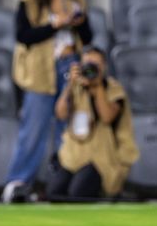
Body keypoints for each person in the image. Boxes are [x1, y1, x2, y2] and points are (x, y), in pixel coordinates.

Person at [3, 0, 93, 203]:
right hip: (41, 70)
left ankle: (64, 184)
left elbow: (87, 38)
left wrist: (79, 21)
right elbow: (24, 36)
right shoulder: (30, 2)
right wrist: (55, 25)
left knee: (69, 129)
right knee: (34, 129)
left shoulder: (75, 0)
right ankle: (18, 182)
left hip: (70, 66)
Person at [49, 47, 138, 201]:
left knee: (78, 193)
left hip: (102, 159)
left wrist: (97, 88)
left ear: (104, 66)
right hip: (74, 156)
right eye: (87, 64)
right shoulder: (76, 87)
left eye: (95, 65)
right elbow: (60, 114)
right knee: (55, 192)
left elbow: (107, 117)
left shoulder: (113, 88)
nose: (91, 69)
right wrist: (69, 85)